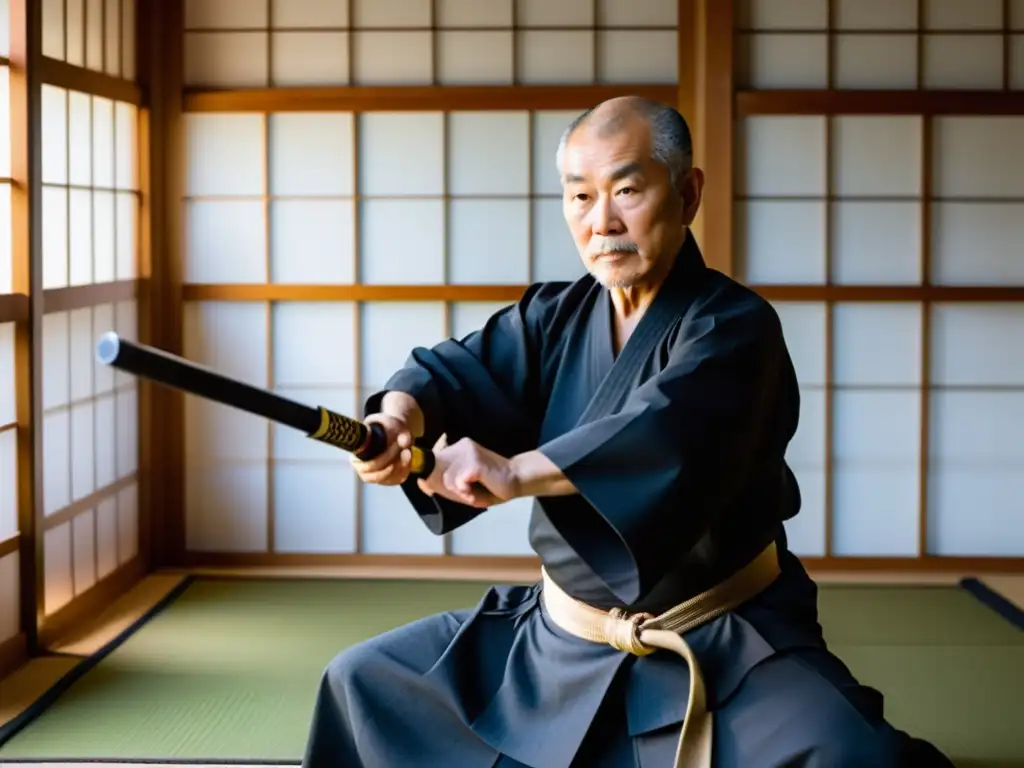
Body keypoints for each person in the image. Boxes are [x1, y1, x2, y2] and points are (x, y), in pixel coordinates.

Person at [300, 97, 950, 767]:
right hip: (556, 646)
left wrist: (513, 473)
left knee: (853, 755)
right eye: (580, 197)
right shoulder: (553, 315)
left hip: (723, 644)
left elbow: (665, 432)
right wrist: (399, 417)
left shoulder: (733, 326)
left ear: (687, 192)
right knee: (363, 683)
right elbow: (453, 370)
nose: (601, 222)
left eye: (627, 191)